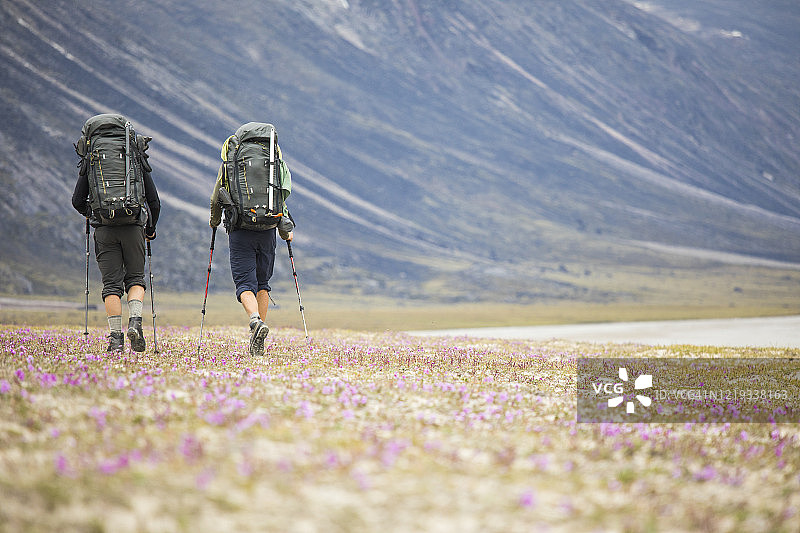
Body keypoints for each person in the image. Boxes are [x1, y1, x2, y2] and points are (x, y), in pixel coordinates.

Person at [71, 114, 160, 353]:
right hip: (133, 227)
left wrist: (95, 213)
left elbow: (77, 200)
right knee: (135, 279)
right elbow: (154, 200)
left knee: (111, 285)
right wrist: (150, 229)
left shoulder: (93, 159)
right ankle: (135, 322)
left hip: (104, 230)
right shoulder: (133, 156)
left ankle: (115, 340)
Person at [209, 122, 294, 357]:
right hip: (267, 228)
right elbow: (282, 195)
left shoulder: (233, 156)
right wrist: (285, 230)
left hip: (240, 228)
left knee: (245, 283)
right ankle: (258, 340)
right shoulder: (275, 159)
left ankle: (255, 321)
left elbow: (218, 193)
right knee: (262, 283)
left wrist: (214, 220)